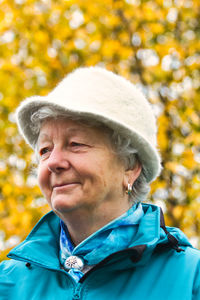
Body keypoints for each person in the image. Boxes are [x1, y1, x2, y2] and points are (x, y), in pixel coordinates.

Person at [0, 67, 199, 300]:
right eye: (45, 150)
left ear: (130, 167)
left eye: (75, 144)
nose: (53, 161)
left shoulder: (190, 278)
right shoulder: (8, 284)